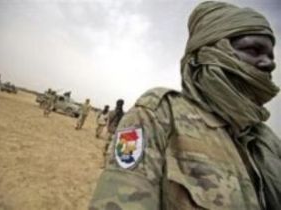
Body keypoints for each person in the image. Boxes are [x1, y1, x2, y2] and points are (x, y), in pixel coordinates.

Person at [89, 1, 281, 210]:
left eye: (271, 56)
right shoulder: (159, 115)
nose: (269, 63)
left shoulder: (266, 140)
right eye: (254, 49)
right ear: (210, 52)